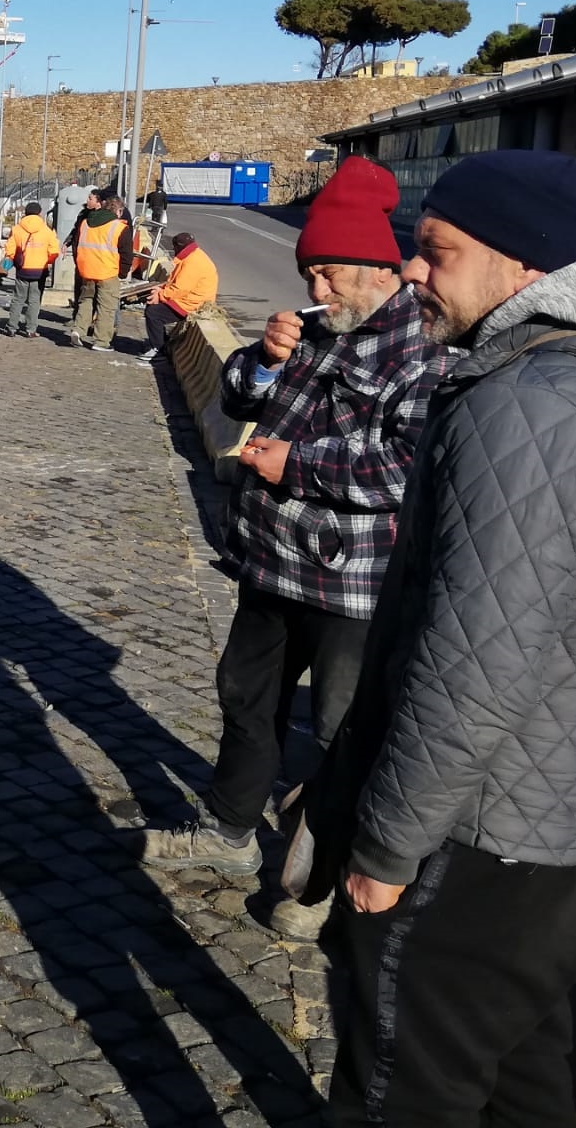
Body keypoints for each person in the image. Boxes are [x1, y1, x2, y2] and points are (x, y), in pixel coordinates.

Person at [315, 150, 576, 1124]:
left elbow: (469, 670)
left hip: (477, 843)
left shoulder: (528, 406)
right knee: (524, 1085)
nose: (410, 270)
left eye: (436, 253)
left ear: (523, 271)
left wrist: (385, 848)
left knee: (402, 1092)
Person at [140, 158, 448, 945]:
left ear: (377, 270)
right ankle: (230, 832)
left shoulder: (421, 352)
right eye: (311, 273)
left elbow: (408, 466)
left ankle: (318, 880)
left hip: (355, 587)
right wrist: (261, 361)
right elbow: (238, 396)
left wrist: (299, 465)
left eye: (330, 274)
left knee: (342, 730)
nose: (317, 289)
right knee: (246, 699)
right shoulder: (313, 328)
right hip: (272, 562)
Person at [136, 231, 218, 363]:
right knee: (153, 306)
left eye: (175, 248)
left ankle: (158, 348)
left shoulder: (192, 262)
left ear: (178, 247)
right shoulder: (193, 256)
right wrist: (161, 290)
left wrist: (161, 295)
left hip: (193, 303)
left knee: (154, 313)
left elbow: (180, 289)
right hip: (190, 298)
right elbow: (175, 283)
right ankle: (161, 343)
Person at [68, 192, 135, 348]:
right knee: (106, 308)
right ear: (118, 211)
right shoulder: (119, 227)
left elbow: (77, 246)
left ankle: (78, 330)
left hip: (87, 270)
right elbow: (127, 254)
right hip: (108, 272)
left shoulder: (85, 223)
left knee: (86, 302)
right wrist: (123, 273)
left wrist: (80, 266)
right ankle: (101, 341)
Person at [2, 201, 62, 338]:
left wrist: (11, 261)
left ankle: (12, 327)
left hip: (22, 269)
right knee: (34, 300)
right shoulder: (47, 230)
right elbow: (54, 251)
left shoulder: (17, 229)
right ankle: (31, 329)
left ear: (25, 213)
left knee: (18, 299)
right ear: (40, 213)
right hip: (40, 270)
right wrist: (48, 262)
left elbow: (10, 249)